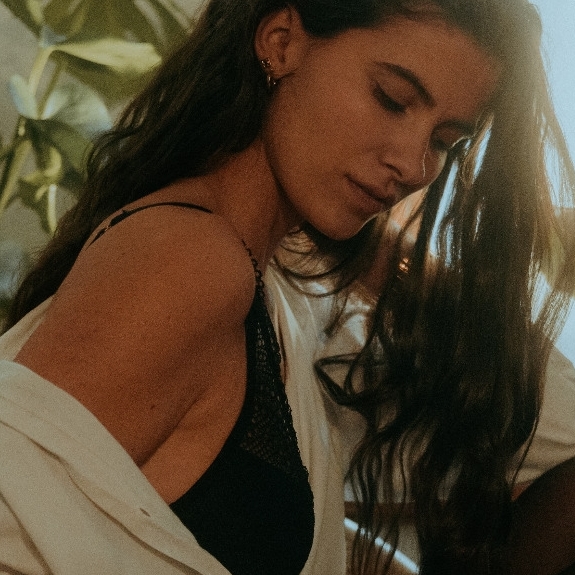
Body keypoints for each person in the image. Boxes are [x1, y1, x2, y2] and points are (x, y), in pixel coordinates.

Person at [0, 0, 573, 574]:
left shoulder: (262, 275)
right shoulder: (190, 262)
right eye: (391, 99)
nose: (414, 164)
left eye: (445, 141)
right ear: (281, 41)